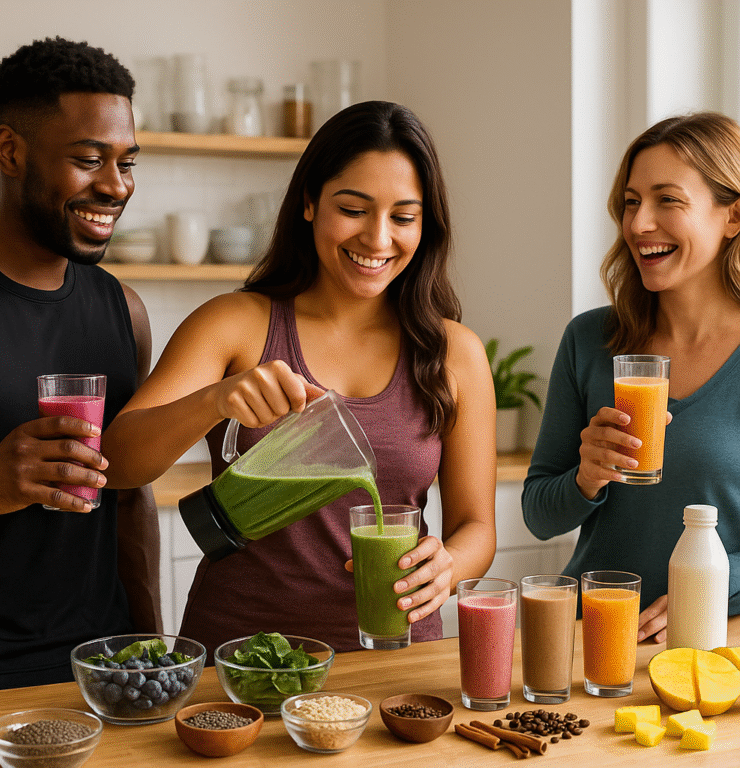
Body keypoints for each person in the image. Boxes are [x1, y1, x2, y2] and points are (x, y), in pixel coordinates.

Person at [102, 100, 496, 654]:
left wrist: (449, 565)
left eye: (403, 217)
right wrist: (217, 400)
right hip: (242, 661)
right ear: (309, 202)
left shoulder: (455, 353)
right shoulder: (234, 324)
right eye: (354, 209)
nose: (379, 239)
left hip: (394, 659)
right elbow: (116, 463)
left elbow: (477, 525)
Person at [0, 37, 162, 692]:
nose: (115, 186)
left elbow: (129, 494)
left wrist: (151, 645)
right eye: (88, 160)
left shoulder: (124, 310)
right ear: (10, 151)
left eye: (126, 162)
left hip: (104, 670)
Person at [522, 111, 740, 645]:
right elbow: (538, 513)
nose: (639, 223)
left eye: (668, 200)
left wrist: (713, 587)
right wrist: (585, 478)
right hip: (587, 641)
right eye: (630, 201)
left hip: (713, 643)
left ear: (732, 217)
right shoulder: (591, 340)